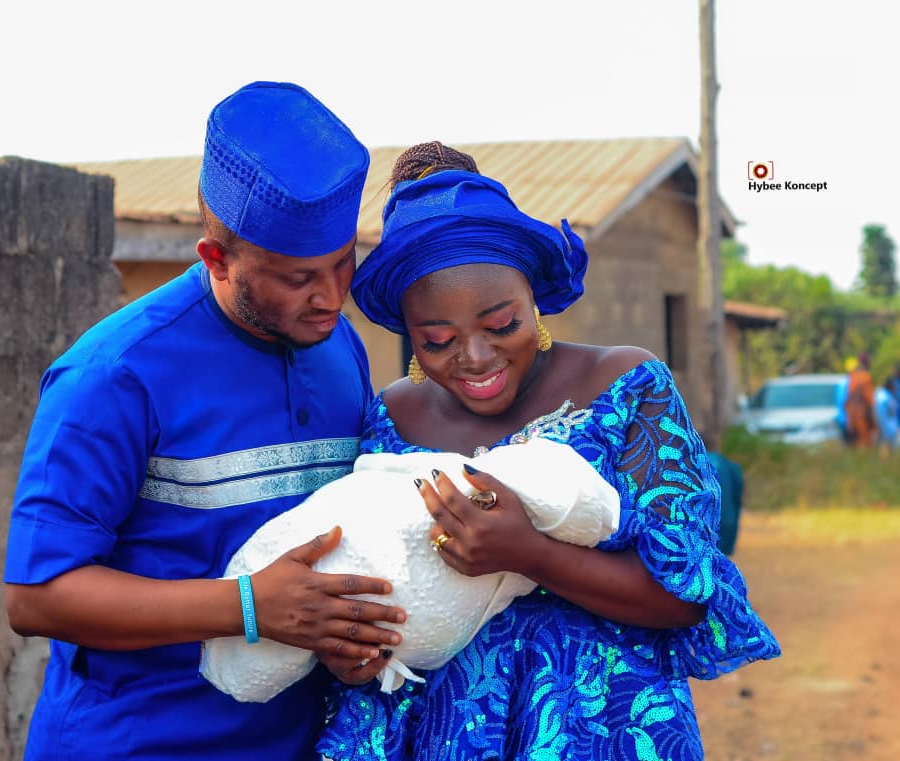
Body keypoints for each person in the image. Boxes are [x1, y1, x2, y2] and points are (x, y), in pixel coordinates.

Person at [317, 143, 780, 761]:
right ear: (409, 334)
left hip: (607, 732)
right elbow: (381, 591)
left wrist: (528, 552)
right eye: (437, 339)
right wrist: (357, 653)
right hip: (447, 737)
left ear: (532, 298)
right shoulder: (392, 421)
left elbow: (687, 595)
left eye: (501, 324)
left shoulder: (626, 391)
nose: (476, 358)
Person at [3, 82, 406, 761]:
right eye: (297, 277)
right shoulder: (113, 374)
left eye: (343, 263)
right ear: (214, 259)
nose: (333, 297)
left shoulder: (340, 348)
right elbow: (37, 596)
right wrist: (247, 606)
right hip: (136, 743)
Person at [845, 353, 877, 448]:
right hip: (863, 419)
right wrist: (875, 422)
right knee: (865, 447)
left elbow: (848, 400)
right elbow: (870, 402)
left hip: (852, 419)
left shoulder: (852, 377)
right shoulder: (866, 377)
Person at [873, 376, 899, 452]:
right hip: (886, 430)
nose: (896, 389)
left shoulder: (880, 394)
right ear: (890, 386)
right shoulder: (885, 398)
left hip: (881, 429)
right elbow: (883, 416)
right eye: (894, 387)